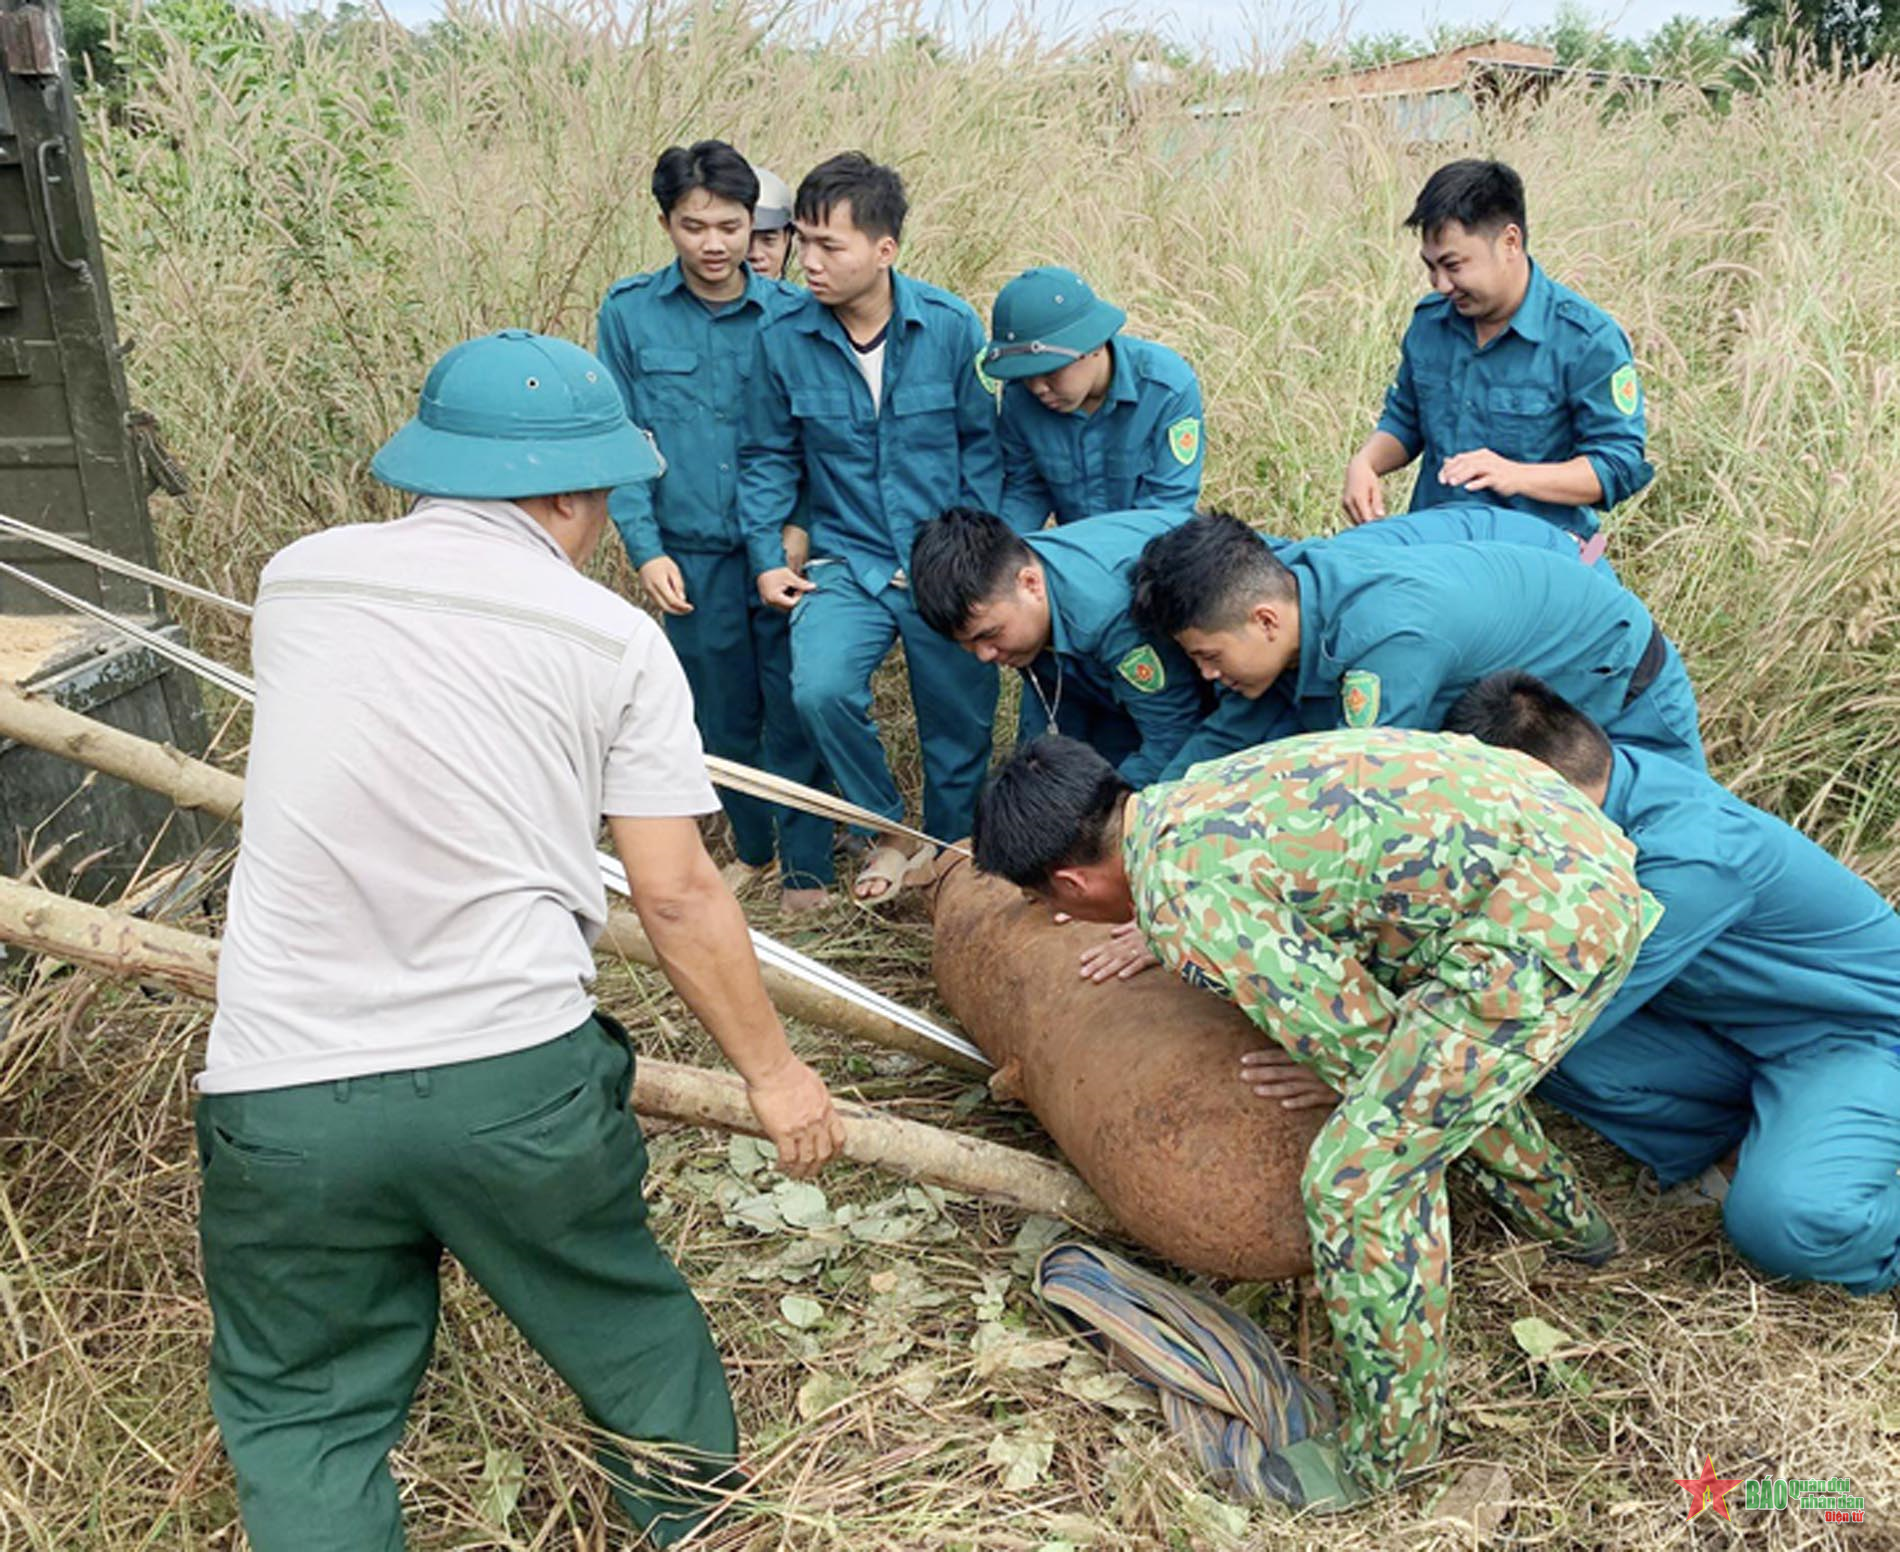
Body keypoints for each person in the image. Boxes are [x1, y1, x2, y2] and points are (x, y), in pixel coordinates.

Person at [198, 329, 845, 1551]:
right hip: (512, 1080)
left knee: (303, 1417)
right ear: (564, 490)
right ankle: (686, 1528)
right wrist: (775, 1071)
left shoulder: (299, 579)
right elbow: (678, 894)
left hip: (280, 1092)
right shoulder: (613, 642)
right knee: (632, 1339)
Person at [971, 731, 1650, 1506]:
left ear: (1071, 883)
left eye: (1040, 901)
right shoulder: (1186, 803)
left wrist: (1358, 1080)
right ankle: (1575, 1231)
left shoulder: (1194, 898)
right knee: (1440, 1084)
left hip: (1549, 927)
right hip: (1560, 846)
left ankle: (1388, 1457)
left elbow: (1359, 1042)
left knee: (1359, 1178)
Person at [1446, 673, 1900, 1295]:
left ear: (1530, 787)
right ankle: (1769, 1139)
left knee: (1786, 1222)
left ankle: (1826, 1156)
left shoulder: (1690, 859)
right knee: (1552, 1052)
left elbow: (1555, 1005)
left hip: (1857, 1038)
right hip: (1737, 1029)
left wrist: (1373, 1058)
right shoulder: (1603, 798)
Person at [740, 152, 1002, 899]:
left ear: (885, 250)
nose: (808, 262)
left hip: (942, 565)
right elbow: (765, 454)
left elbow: (982, 449)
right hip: (845, 564)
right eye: (803, 241)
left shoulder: (950, 328)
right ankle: (886, 829)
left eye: (831, 246)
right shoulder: (784, 337)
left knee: (958, 728)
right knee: (818, 689)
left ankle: (944, 866)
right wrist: (767, 552)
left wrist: (974, 556)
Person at [596, 140, 833, 911]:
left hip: (785, 551)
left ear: (757, 228)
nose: (714, 244)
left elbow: (819, 439)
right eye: (694, 225)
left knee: (797, 705)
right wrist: (646, 549)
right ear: (666, 222)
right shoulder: (629, 313)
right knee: (718, 717)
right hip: (690, 554)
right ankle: (755, 851)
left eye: (731, 226)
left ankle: (807, 871)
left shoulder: (797, 314)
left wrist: (798, 529)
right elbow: (623, 438)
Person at [1133, 513, 1703, 780]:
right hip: (1512, 682)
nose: (1207, 675)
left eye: (1209, 657)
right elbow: (1232, 732)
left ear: (1264, 620)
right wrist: (1146, 816)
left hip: (1616, 679)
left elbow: (1356, 789)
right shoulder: (1294, 586)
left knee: (1651, 852)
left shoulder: (1385, 644)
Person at [1342, 159, 1652, 538]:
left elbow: (1617, 466)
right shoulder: (1430, 323)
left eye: (1453, 265)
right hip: (1438, 546)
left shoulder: (1586, 340)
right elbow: (1406, 420)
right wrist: (1366, 463)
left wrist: (1514, 475)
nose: (1440, 284)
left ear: (1510, 242)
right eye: (1430, 267)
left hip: (1539, 555)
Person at [909, 506, 1205, 785]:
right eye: (967, 643)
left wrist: (1099, 815)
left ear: (1030, 584)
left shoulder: (1107, 615)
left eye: (990, 635)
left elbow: (1172, 737)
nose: (984, 655)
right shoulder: (1009, 584)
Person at [984, 265, 1203, 528]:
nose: (1037, 388)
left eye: (1050, 371)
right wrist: (1004, 557)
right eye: (1025, 374)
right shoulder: (1019, 398)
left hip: (1152, 553)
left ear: (1095, 345)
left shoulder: (1166, 390)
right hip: (1074, 555)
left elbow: (1168, 510)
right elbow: (1025, 490)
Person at [747, 164, 796, 281]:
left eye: (768, 240)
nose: (755, 255)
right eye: (746, 241)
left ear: (787, 239)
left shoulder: (801, 299)